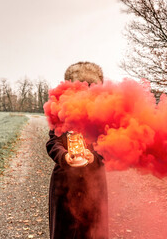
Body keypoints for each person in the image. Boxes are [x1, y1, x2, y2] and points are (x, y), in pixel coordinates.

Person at [46, 62, 108, 239]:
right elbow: (53, 142)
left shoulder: (104, 113)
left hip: (94, 182)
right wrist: (64, 157)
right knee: (64, 232)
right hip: (64, 182)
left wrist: (93, 157)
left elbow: (108, 146)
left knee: (93, 232)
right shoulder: (61, 111)